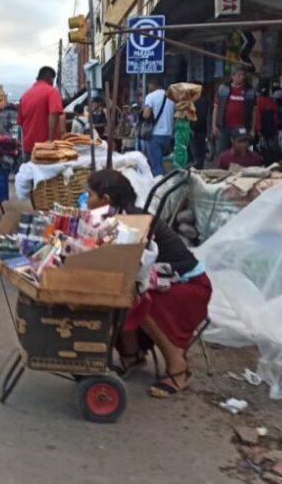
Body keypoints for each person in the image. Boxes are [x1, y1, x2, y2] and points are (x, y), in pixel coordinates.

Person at [85, 169, 211, 396]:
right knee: (120, 288)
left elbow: (130, 268)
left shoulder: (132, 221)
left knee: (133, 296)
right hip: (160, 278)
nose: (86, 199)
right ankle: (132, 355)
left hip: (190, 286)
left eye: (89, 194)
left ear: (105, 200)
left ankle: (178, 367)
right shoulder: (115, 216)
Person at [18, 66, 64, 159]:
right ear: (51, 79)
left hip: (29, 148)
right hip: (45, 148)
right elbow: (54, 113)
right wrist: (51, 141)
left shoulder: (25, 96)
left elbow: (20, 123)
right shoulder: (52, 91)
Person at [212, 66, 256, 156]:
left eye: (243, 75)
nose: (242, 77)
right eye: (239, 75)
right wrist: (214, 125)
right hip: (224, 127)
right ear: (232, 76)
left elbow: (254, 111)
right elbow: (216, 107)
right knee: (222, 152)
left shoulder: (249, 91)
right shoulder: (223, 88)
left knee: (241, 153)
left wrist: (252, 129)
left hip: (242, 128)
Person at [142, 78, 175, 176]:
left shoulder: (150, 97)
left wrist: (143, 113)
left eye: (149, 85)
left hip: (155, 135)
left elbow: (146, 115)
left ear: (153, 84)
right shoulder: (171, 97)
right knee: (163, 163)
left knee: (156, 166)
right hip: (168, 135)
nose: (148, 87)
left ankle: (159, 187)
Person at [252, 81, 280, 165]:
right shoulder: (272, 101)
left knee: (259, 146)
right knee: (269, 146)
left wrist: (258, 129)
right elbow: (275, 116)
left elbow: (258, 116)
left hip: (262, 128)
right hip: (271, 129)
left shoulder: (258, 101)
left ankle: (261, 160)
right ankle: (269, 160)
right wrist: (275, 127)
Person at [190, 96, 210, 169]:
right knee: (200, 153)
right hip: (202, 130)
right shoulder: (205, 100)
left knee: (195, 153)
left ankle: (195, 169)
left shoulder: (191, 100)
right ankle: (198, 168)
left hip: (194, 130)